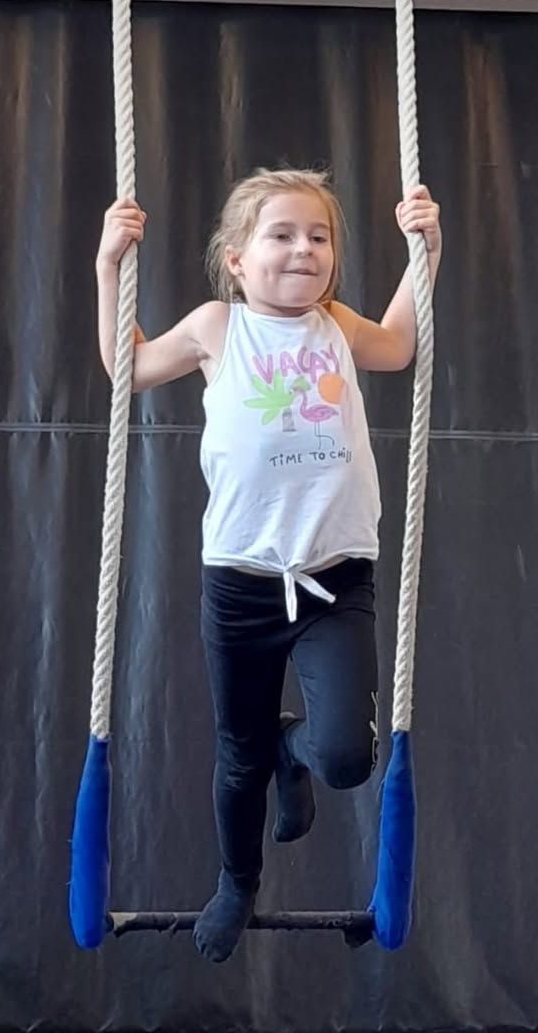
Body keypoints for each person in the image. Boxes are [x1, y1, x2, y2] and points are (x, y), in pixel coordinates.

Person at [95, 167, 442, 961]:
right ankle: (237, 880)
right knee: (237, 754)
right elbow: (130, 368)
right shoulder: (220, 327)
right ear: (236, 259)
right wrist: (110, 263)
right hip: (243, 583)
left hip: (335, 577)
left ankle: (299, 751)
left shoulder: (338, 325)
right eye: (280, 235)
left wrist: (426, 253)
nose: (303, 250)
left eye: (318, 236)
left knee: (348, 757)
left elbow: (397, 346)